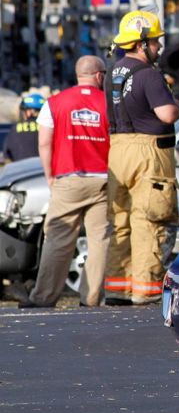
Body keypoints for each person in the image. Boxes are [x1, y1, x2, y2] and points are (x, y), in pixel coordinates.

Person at [104, 10, 179, 306]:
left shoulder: (112, 73)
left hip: (118, 150)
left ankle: (117, 288)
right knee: (150, 220)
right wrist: (175, 103)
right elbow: (167, 113)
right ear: (141, 44)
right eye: (155, 42)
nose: (159, 47)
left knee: (121, 220)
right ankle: (145, 289)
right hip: (149, 153)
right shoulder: (149, 75)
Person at [21, 57, 111, 308]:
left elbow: (44, 143)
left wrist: (50, 175)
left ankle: (43, 297)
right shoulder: (107, 104)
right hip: (102, 179)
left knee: (58, 239)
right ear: (99, 76)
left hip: (68, 178)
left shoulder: (54, 103)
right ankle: (91, 297)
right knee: (99, 240)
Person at [3, 92, 45, 163]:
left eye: (24, 111)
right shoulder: (48, 128)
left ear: (30, 112)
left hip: (21, 171)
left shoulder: (15, 128)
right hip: (43, 170)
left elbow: (7, 156)